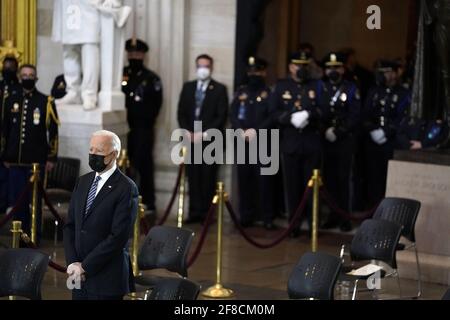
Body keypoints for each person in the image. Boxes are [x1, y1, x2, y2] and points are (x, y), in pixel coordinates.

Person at [63, 130, 138, 300]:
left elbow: (118, 237)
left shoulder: (126, 188)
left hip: (107, 279)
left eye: (99, 151)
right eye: (91, 150)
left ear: (114, 154)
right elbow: (70, 226)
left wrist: (86, 266)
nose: (93, 154)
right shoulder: (83, 181)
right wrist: (73, 263)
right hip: (78, 277)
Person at [269, 50, 325, 238]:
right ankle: (294, 224)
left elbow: (324, 110)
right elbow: (273, 112)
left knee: (310, 185)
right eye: (297, 65)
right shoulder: (281, 86)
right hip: (291, 142)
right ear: (290, 67)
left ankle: (312, 223)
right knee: (292, 187)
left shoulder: (317, 86)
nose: (301, 69)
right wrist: (288, 118)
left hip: (310, 142)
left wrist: (309, 114)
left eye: (304, 65)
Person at [2, 64, 59, 243]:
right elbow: (4, 129)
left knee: (35, 204)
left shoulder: (45, 101)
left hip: (36, 163)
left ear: (36, 78)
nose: (27, 77)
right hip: (15, 162)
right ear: (20, 76)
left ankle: (34, 237)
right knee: (17, 202)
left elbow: (53, 131)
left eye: (31, 75)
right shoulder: (10, 100)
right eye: (24, 75)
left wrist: (51, 157)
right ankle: (18, 237)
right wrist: (4, 155)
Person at [177, 54, 228, 224]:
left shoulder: (220, 89)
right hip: (190, 140)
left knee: (208, 177)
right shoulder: (188, 87)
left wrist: (204, 134)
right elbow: (181, 112)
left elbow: (221, 116)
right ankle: (194, 212)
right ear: (196, 67)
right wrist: (188, 132)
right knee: (193, 176)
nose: (203, 69)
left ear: (211, 68)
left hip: (210, 141)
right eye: (200, 66)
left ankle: (207, 214)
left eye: (206, 66)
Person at [230, 57, 276, 230]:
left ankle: (267, 217)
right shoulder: (241, 91)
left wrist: (255, 130)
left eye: (257, 71)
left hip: (263, 141)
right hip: (243, 141)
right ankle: (246, 215)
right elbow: (233, 114)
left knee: (265, 182)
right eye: (251, 71)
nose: (253, 74)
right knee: (244, 180)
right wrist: (240, 130)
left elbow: (272, 116)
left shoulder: (269, 92)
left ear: (263, 72)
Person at [320, 52, 361, 232]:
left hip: (344, 139)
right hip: (326, 139)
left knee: (344, 179)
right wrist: (325, 130)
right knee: (328, 179)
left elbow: (355, 114)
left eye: (336, 68)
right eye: (329, 68)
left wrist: (338, 131)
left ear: (343, 69)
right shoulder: (321, 88)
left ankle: (345, 217)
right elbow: (317, 112)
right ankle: (332, 214)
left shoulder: (351, 88)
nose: (333, 71)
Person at [362, 60, 410, 207]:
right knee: (373, 177)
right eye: (381, 72)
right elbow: (365, 114)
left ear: (396, 73)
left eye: (387, 72)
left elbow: (404, 118)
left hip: (392, 142)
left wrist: (386, 131)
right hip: (373, 142)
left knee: (390, 178)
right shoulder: (374, 91)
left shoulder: (404, 93)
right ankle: (372, 210)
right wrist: (372, 131)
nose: (384, 75)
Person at [122, 39, 162, 212]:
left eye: (137, 54)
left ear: (143, 55)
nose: (134, 56)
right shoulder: (120, 74)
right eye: (131, 54)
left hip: (141, 128)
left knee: (142, 164)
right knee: (122, 165)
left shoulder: (151, 78)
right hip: (122, 127)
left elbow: (155, 105)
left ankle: (146, 201)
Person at [0, 56, 20, 213]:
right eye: (5, 67)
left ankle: (7, 204)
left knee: (8, 176)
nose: (7, 70)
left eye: (11, 68)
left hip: (10, 140)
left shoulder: (19, 90)